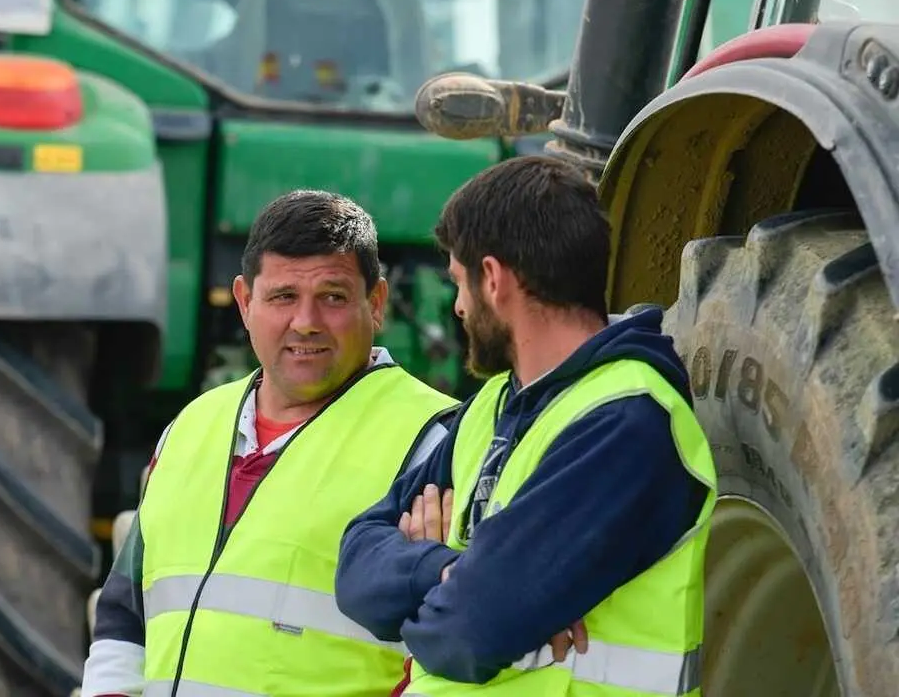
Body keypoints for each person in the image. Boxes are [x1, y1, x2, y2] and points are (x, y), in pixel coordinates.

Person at [335, 155, 716, 697]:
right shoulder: (486, 409)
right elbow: (355, 570)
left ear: (492, 278)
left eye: (459, 284)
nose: (459, 308)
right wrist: (447, 571)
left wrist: (453, 592)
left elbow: (465, 633)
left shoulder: (628, 424)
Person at [79, 189, 460, 697]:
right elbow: (125, 617)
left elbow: (446, 653)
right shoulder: (191, 428)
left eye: (332, 297)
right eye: (283, 297)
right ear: (244, 301)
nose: (305, 322)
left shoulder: (434, 440)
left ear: (376, 303)